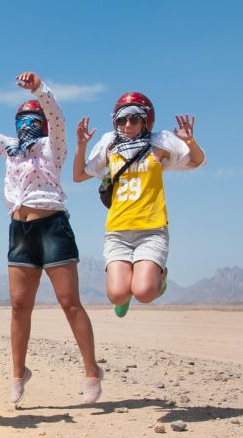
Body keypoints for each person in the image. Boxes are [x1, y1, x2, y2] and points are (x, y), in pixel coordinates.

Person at [0, 72, 102, 405]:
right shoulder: (11, 150)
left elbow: (58, 120)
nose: (27, 125)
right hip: (20, 230)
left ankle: (91, 372)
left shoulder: (52, 147)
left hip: (53, 226)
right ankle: (18, 374)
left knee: (69, 302)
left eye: (33, 119)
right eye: (22, 120)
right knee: (19, 306)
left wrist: (40, 91)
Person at [73, 92, 205, 317]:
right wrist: (82, 146)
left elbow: (196, 161)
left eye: (134, 119)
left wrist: (190, 141)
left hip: (151, 230)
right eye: (122, 120)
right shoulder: (110, 145)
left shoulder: (160, 143)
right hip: (118, 231)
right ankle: (124, 296)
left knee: (144, 292)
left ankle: (158, 281)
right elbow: (78, 175)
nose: (128, 125)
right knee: (117, 294)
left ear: (146, 120)